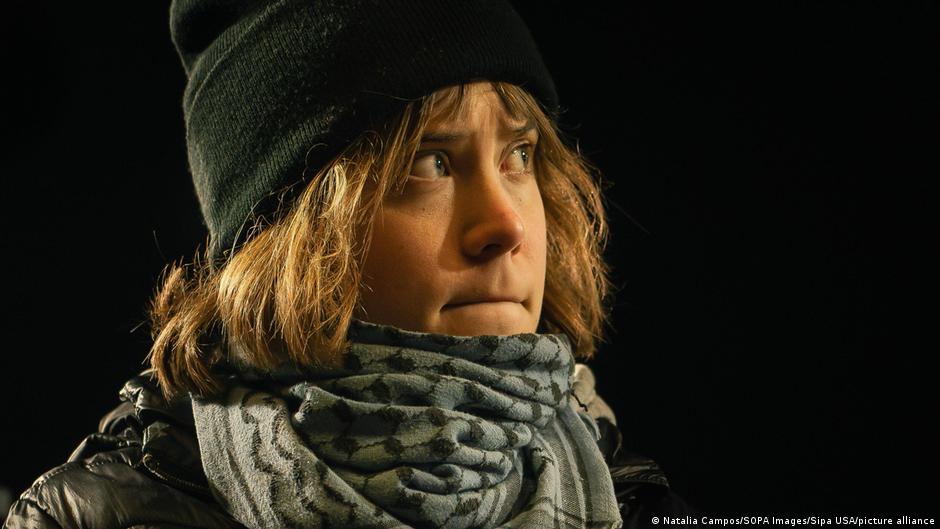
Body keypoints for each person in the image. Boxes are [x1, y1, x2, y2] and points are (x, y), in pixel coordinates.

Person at [4, 1, 696, 527]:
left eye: (519, 156)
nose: (507, 225)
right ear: (286, 238)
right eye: (430, 163)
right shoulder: (103, 515)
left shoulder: (637, 501)